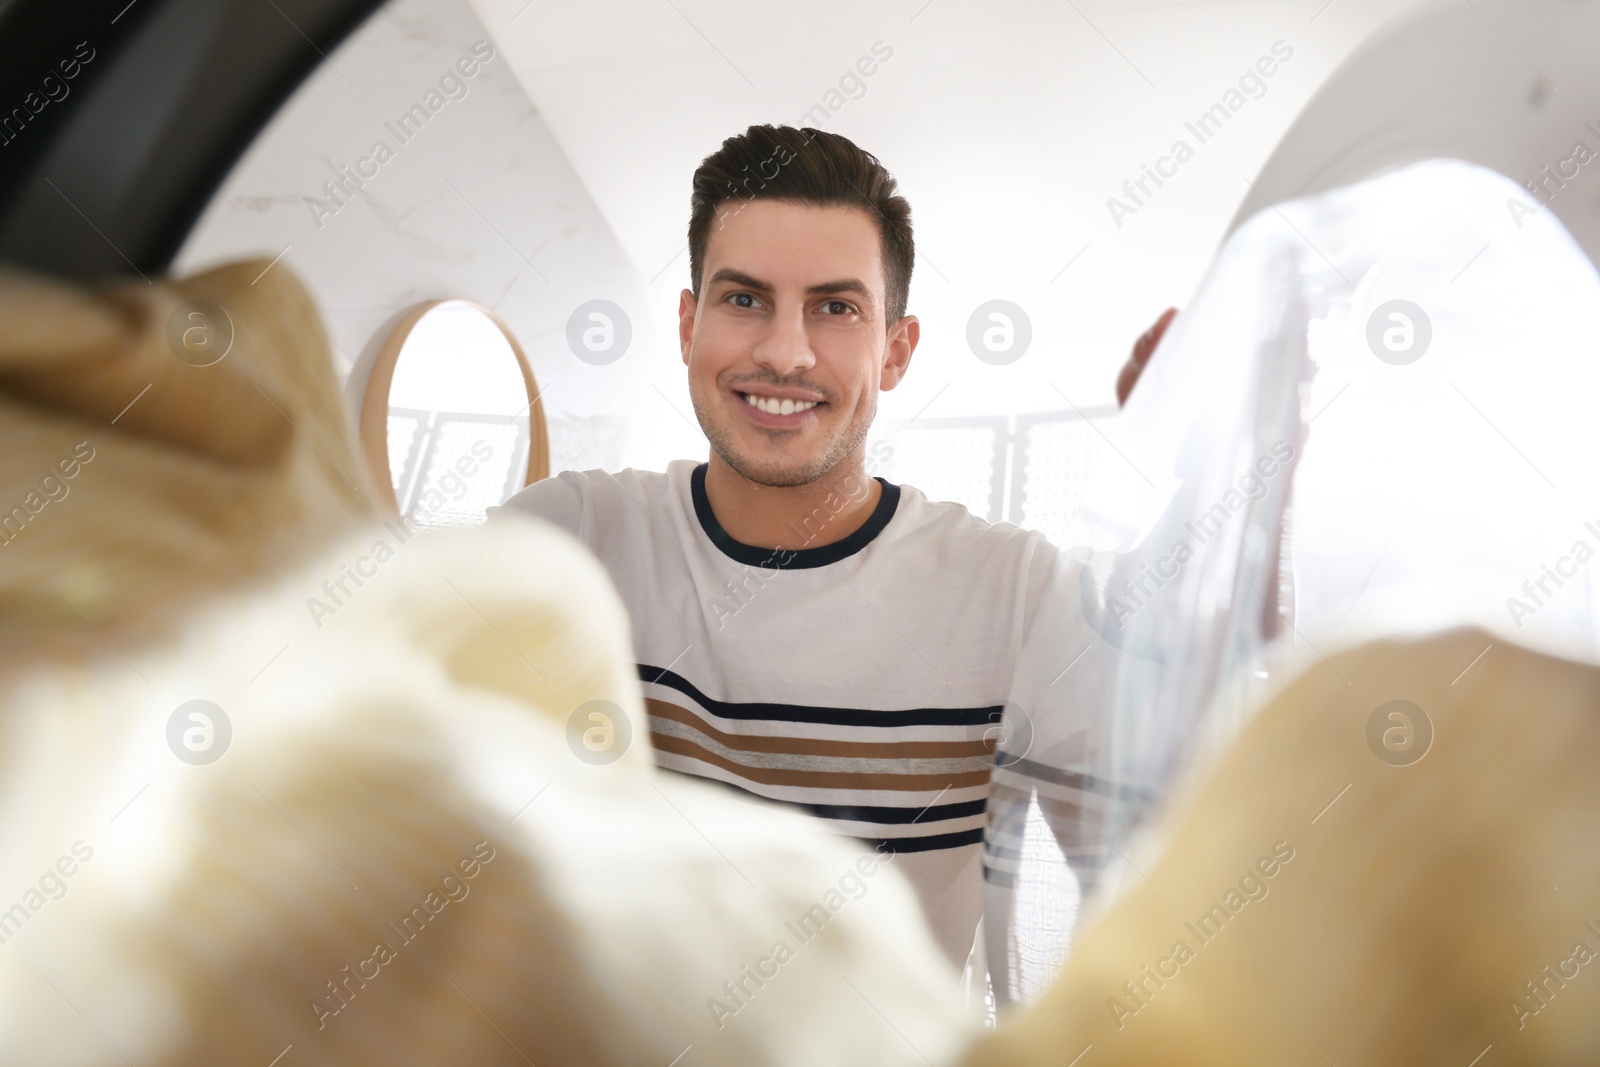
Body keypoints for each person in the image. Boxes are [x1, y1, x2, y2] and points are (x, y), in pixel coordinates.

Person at [492, 124, 1173, 969]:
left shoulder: (1019, 595)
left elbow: (1161, 870)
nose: (784, 352)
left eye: (836, 307)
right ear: (687, 324)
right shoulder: (566, 539)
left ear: (896, 350)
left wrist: (1227, 515)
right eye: (744, 299)